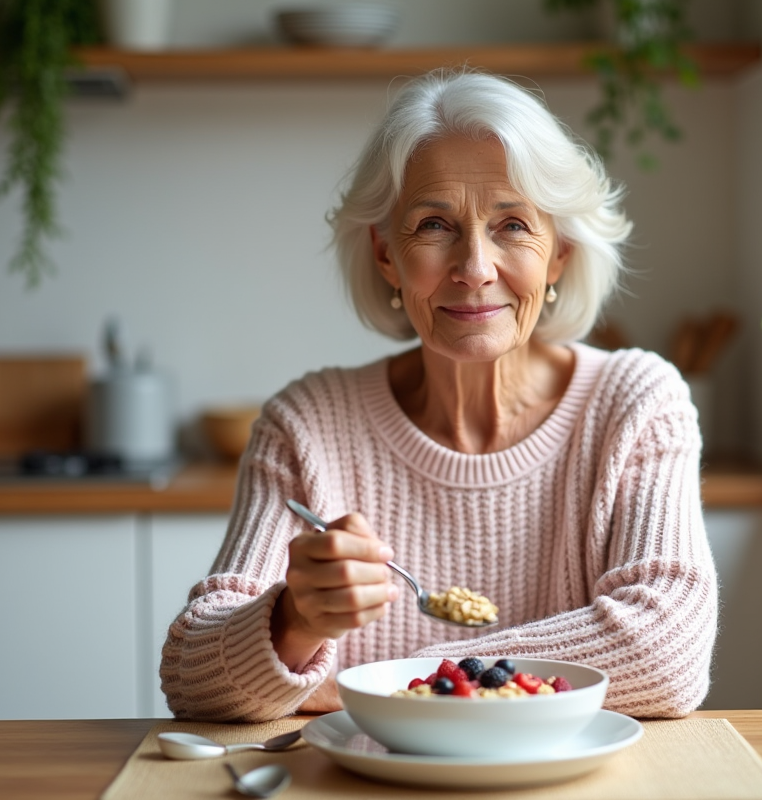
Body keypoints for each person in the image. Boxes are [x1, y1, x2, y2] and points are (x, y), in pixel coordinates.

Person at [160, 69, 718, 722]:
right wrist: (292, 621)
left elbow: (664, 656)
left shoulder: (637, 403)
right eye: (433, 225)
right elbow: (194, 683)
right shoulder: (307, 424)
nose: (475, 267)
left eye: (512, 225)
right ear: (387, 254)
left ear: (559, 253)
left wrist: (402, 687)